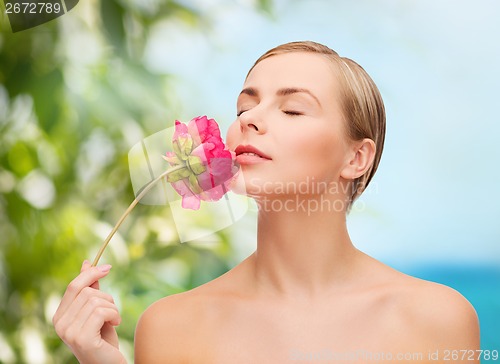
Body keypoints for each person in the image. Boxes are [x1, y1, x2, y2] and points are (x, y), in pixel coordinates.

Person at [53, 41, 480, 363]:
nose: (249, 120)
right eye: (244, 107)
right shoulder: (169, 328)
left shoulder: (437, 319)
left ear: (356, 158)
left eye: (292, 110)